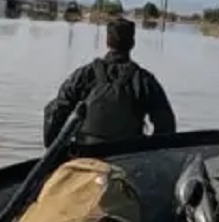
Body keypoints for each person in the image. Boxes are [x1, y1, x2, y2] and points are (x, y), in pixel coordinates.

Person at [43, 16, 178, 146]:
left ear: (107, 41)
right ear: (132, 43)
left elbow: (56, 113)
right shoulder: (145, 81)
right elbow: (167, 127)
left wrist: (61, 151)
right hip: (128, 158)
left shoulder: (83, 75)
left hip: (85, 157)